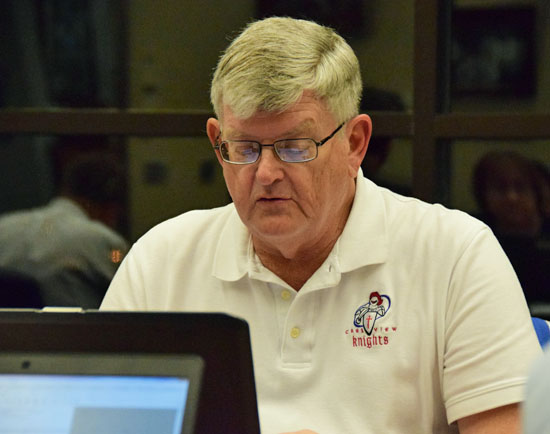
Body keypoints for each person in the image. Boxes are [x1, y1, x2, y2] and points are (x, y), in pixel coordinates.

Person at [101, 17, 541, 434]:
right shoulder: (160, 262)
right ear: (218, 143)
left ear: (355, 144)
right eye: (245, 147)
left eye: (294, 147)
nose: (266, 172)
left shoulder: (454, 255)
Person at [0, 152, 128, 308]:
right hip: (77, 331)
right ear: (111, 207)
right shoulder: (104, 241)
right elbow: (130, 300)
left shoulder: (4, 226)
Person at [473, 151, 550, 304]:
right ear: (484, 194)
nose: (511, 197)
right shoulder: (476, 236)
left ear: (536, 192)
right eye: (500, 188)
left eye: (520, 187)